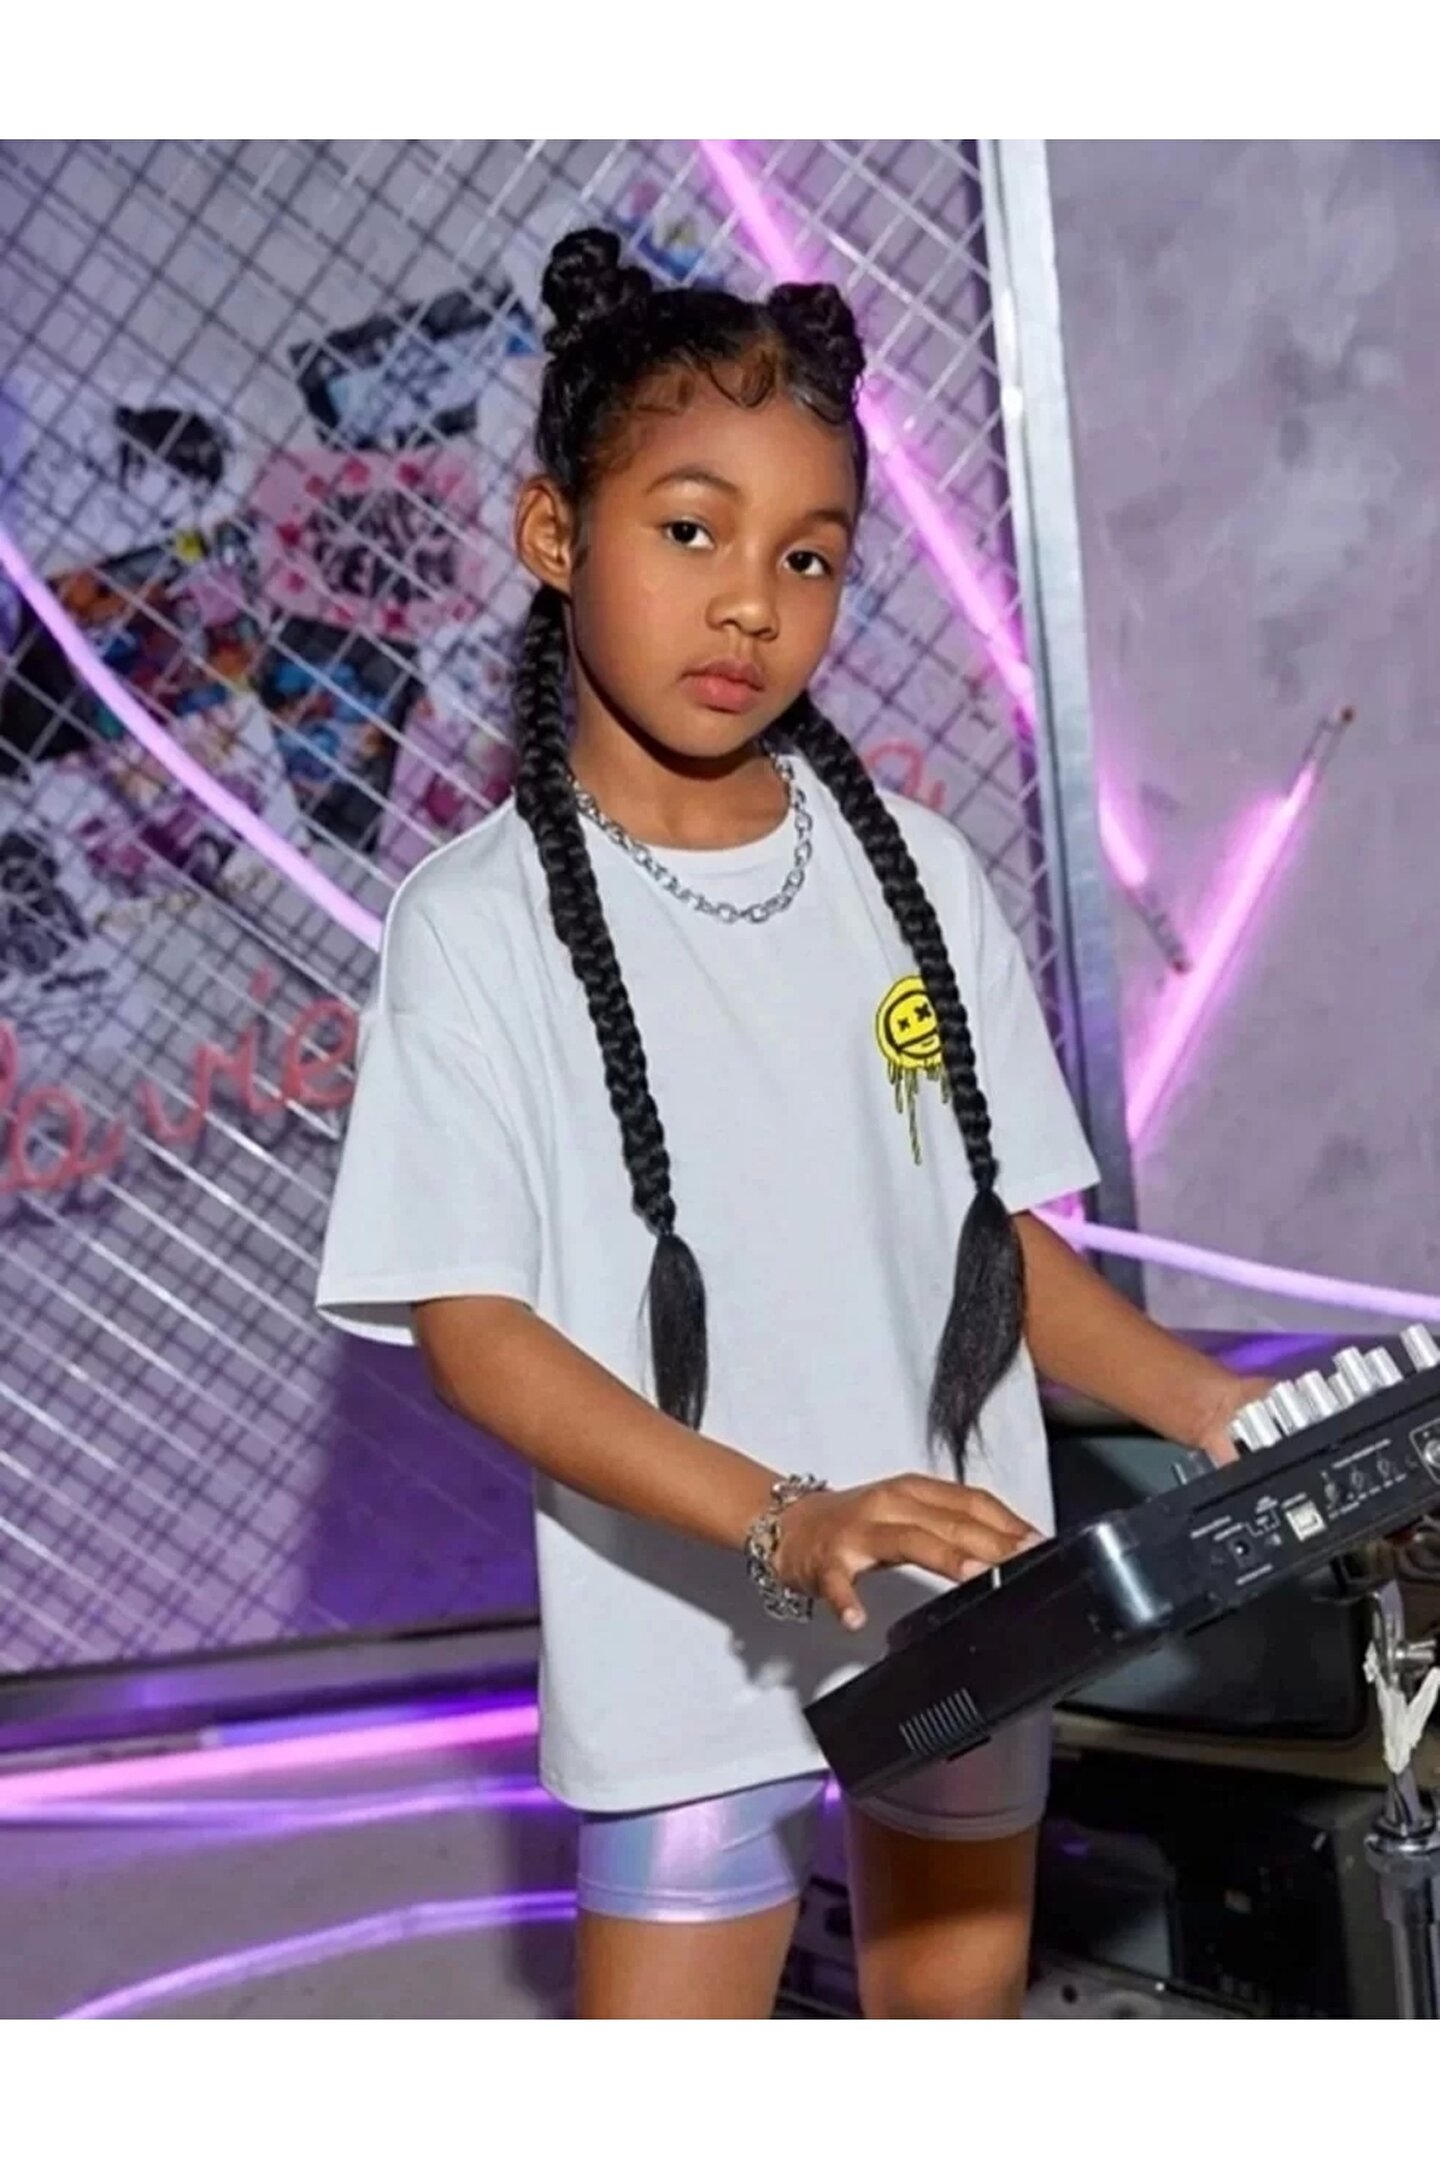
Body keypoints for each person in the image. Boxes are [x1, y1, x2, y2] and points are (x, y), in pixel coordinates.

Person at [315, 226, 1266, 2019]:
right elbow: (475, 1329)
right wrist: (786, 1520)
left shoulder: (919, 876)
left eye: (808, 555)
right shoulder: (477, 923)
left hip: (964, 1592)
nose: (752, 601)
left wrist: (1207, 1403)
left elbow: (989, 1244)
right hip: (686, 1639)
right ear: (552, 536)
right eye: (692, 531)